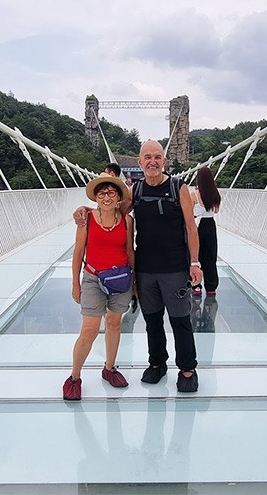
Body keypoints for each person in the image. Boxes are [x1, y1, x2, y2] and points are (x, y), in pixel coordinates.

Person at [75, 140, 202, 392]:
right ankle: (157, 364)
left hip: (175, 268)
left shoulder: (178, 188)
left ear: (164, 161)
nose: (152, 162)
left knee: (180, 320)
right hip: (145, 269)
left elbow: (191, 227)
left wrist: (195, 263)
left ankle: (187, 369)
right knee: (152, 320)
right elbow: (112, 210)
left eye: (157, 157)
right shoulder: (137, 190)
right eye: (148, 157)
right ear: (140, 161)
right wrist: (86, 210)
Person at [64, 173, 135, 401]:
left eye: (111, 192)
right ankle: (74, 377)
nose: (106, 197)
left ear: (118, 196)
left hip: (120, 278)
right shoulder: (86, 219)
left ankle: (110, 368)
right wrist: (75, 283)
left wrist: (135, 283)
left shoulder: (127, 220)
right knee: (89, 330)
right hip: (93, 278)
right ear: (96, 197)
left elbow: (129, 251)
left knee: (114, 323)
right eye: (102, 193)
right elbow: (78, 252)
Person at [189, 166, 221, 295]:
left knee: (196, 256)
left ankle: (196, 286)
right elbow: (217, 211)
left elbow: (189, 213)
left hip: (197, 225)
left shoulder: (194, 195)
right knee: (210, 256)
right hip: (210, 225)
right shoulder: (215, 194)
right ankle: (211, 286)